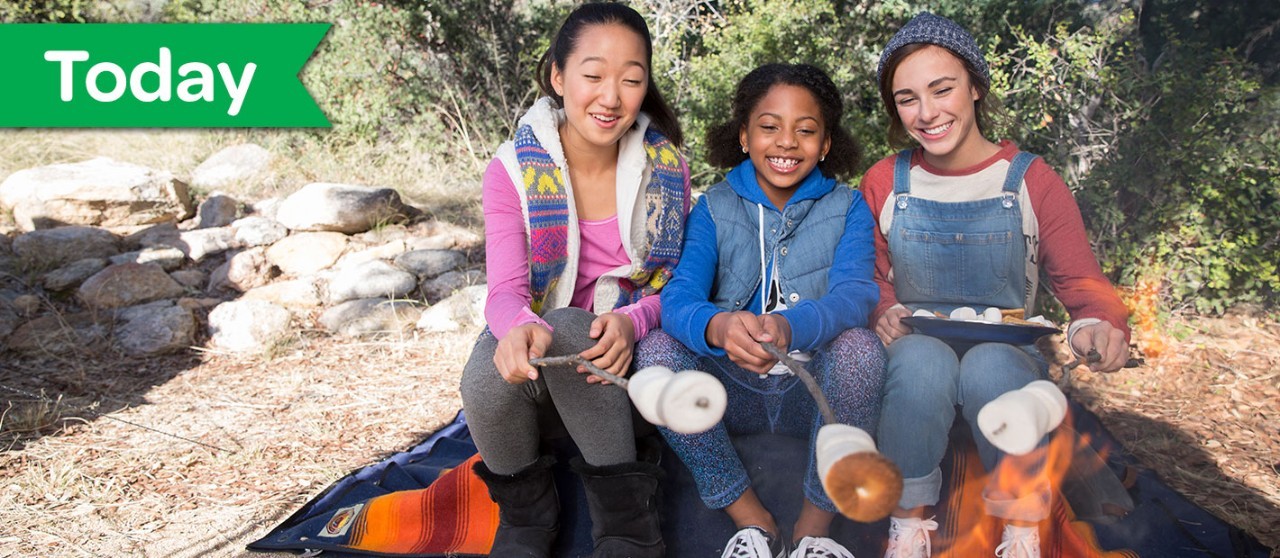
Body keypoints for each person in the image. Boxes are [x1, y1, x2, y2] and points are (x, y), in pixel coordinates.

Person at [861, 12, 1133, 558]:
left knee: (989, 365)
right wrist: (882, 309)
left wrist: (1099, 326)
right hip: (913, 350)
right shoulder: (885, 180)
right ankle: (907, 527)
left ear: (977, 87)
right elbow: (866, 278)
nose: (927, 112)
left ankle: (1022, 531)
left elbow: (1080, 281)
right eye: (907, 98)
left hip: (1007, 355)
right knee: (919, 363)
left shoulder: (1031, 179)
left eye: (943, 90)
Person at [457, 4, 690, 557]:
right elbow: (507, 293)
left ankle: (630, 527)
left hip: (627, 367)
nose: (611, 97)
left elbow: (679, 281)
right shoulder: (513, 169)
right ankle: (526, 520)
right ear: (559, 78)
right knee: (486, 381)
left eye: (631, 80)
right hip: (549, 357)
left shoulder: (667, 170)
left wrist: (635, 322)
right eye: (593, 76)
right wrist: (515, 328)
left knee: (568, 326)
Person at [636, 63, 885, 558]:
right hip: (731, 391)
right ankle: (753, 524)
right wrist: (719, 325)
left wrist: (794, 326)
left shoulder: (849, 207)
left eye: (806, 130)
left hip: (810, 394)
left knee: (861, 350)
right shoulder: (713, 207)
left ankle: (814, 532)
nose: (787, 142)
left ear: (828, 144)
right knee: (656, 354)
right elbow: (678, 296)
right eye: (769, 127)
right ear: (745, 137)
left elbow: (857, 296)